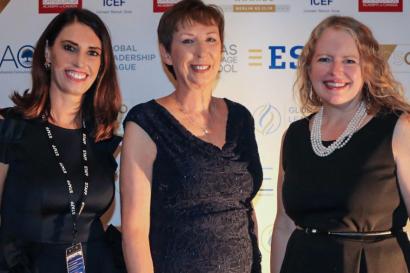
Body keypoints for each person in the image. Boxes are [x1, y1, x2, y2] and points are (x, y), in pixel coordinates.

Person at [120, 0, 263, 272]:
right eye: (188, 41)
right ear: (166, 54)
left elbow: (245, 208)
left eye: (211, 39)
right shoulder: (146, 122)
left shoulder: (241, 118)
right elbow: (135, 232)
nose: (201, 52)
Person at [270, 15, 410, 273]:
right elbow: (283, 226)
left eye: (349, 61)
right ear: (308, 68)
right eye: (324, 59)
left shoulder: (398, 128)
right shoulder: (295, 135)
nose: (335, 71)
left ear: (368, 69)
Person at [0, 8, 123, 273]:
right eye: (69, 47)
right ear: (47, 53)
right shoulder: (10, 128)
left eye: (93, 52)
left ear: (102, 64)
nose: (80, 62)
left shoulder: (102, 138)